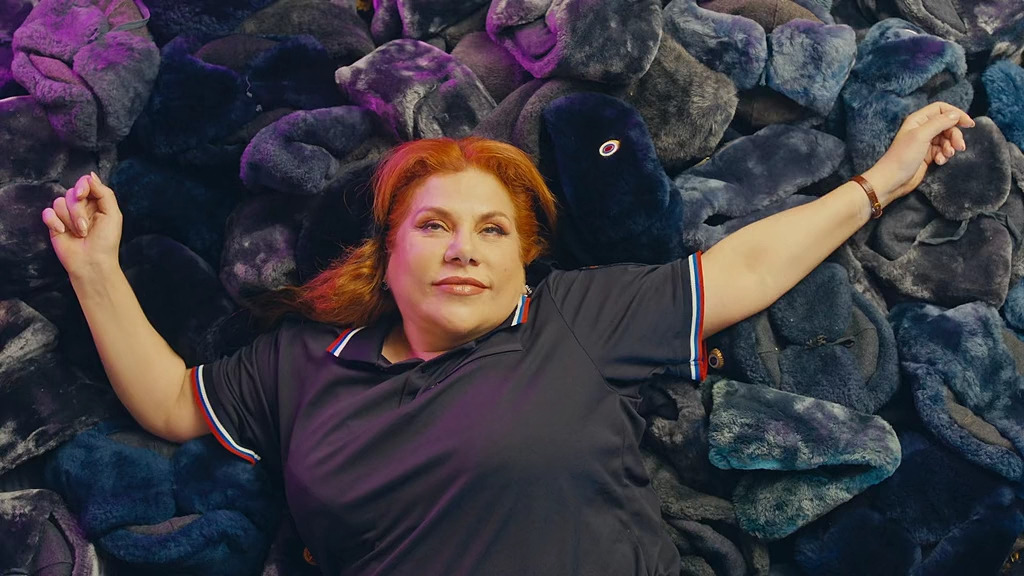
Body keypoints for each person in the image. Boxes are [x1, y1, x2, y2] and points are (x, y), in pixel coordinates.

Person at [41, 101, 975, 575]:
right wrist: (93, 270)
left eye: (494, 231)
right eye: (435, 225)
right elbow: (172, 405)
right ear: (388, 253)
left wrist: (883, 180)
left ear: (523, 262)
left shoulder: (570, 318)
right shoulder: (302, 362)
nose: (465, 250)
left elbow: (744, 271)